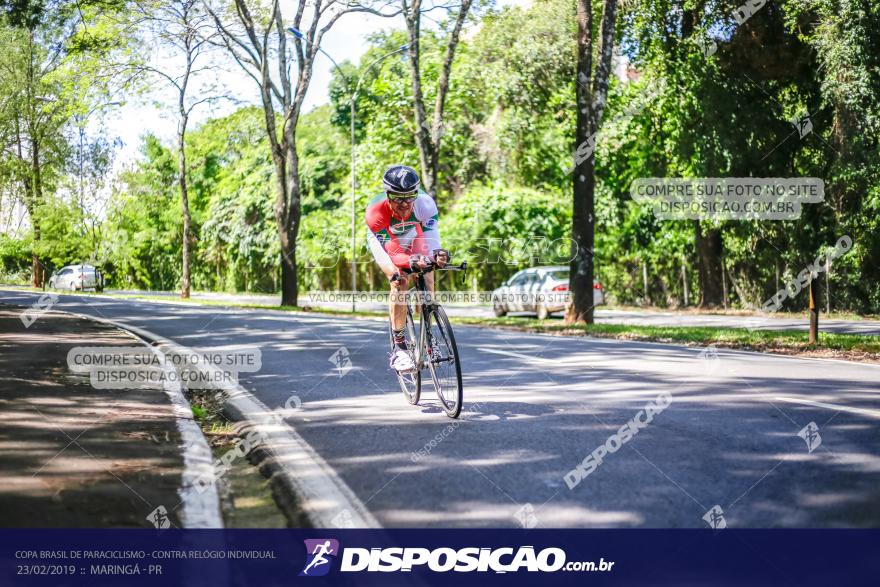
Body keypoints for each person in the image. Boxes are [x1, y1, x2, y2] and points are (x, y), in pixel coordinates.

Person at [366, 165, 448, 371]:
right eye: (396, 197)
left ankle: (429, 341)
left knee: (428, 275)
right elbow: (394, 252)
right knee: (399, 279)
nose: (404, 203)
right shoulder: (375, 211)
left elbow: (432, 238)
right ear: (387, 194)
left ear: (416, 193)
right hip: (384, 241)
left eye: (409, 196)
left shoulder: (425, 204)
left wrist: (437, 254)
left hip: (413, 233)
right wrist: (410, 262)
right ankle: (400, 350)